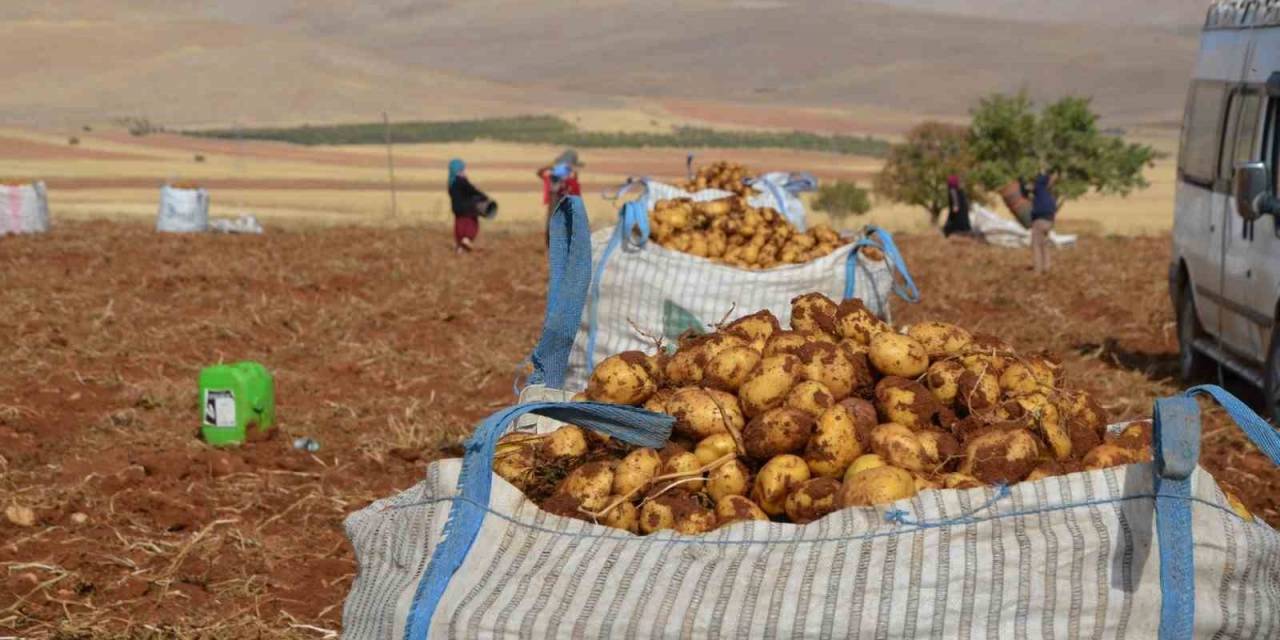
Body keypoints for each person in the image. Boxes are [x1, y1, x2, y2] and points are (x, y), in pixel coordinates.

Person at [537, 149, 583, 246]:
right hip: (556, 199)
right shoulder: (553, 175)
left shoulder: (570, 178)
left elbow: (574, 190)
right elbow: (540, 173)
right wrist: (552, 167)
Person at [447, 158, 491, 254]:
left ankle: (460, 247)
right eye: (461, 170)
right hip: (467, 208)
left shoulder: (451, 184)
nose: (463, 172)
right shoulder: (462, 181)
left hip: (457, 209)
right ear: (457, 171)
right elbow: (472, 190)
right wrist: (483, 196)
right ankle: (467, 239)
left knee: (459, 225)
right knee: (472, 223)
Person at [1028, 172, 1058, 273]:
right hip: (1049, 222)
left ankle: (1038, 270)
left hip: (1040, 221)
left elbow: (1026, 189)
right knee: (1045, 244)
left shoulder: (1039, 189)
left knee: (1036, 244)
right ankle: (1047, 267)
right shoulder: (1049, 194)